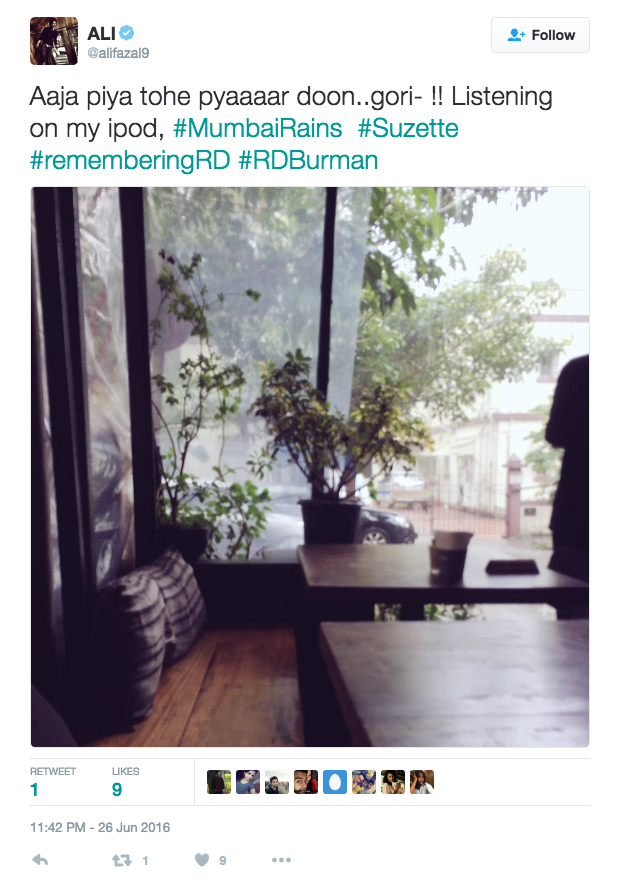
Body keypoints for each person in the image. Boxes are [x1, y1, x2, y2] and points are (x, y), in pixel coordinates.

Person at [545, 355, 589, 554]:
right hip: (574, 512)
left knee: (571, 571)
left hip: (577, 509)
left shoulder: (579, 369)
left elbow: (555, 434)